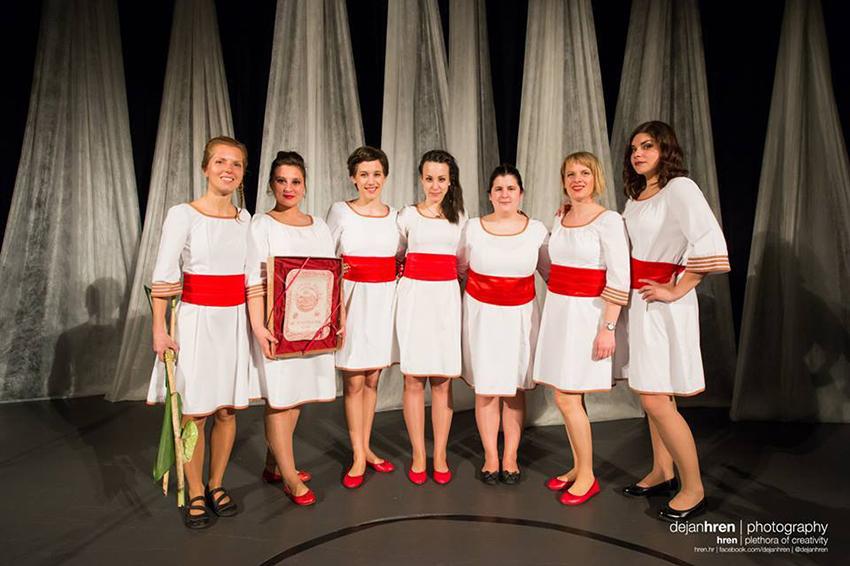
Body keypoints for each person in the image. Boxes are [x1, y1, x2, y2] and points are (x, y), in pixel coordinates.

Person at [617, 121, 730, 521]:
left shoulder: (680, 188)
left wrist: (679, 288)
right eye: (634, 148)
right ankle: (662, 471)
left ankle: (694, 488)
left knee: (655, 396)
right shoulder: (636, 197)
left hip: (663, 306)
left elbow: (708, 238)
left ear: (665, 149)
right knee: (654, 394)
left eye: (647, 146)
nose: (638, 153)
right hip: (640, 301)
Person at [147, 136, 252, 529]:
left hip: (234, 321)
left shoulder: (245, 219)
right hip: (196, 321)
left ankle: (215, 483)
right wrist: (159, 330)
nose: (228, 169)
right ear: (206, 167)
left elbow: (252, 278)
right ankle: (194, 490)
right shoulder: (183, 215)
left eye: (236, 163)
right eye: (220, 161)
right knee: (196, 412)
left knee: (226, 409)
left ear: (243, 173)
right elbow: (164, 275)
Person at [533, 152, 630, 505]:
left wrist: (608, 327)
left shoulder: (609, 220)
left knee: (567, 396)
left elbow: (620, 277)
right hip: (560, 312)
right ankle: (578, 466)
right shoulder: (561, 217)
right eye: (570, 173)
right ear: (563, 181)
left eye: (584, 172)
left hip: (588, 317)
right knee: (569, 395)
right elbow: (551, 264)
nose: (577, 179)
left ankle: (588, 477)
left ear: (596, 177)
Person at [246, 151, 337, 506]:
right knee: (280, 397)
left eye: (295, 181)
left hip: (311, 326)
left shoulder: (319, 226)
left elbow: (329, 275)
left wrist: (336, 320)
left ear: (305, 185)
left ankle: (273, 465)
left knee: (295, 395)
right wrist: (259, 326)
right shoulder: (262, 224)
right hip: (277, 325)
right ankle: (289, 477)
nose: (288, 187)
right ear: (271, 184)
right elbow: (254, 279)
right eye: (281, 181)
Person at [458, 164, 549, 486]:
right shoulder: (472, 228)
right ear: (490, 195)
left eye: (511, 188)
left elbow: (550, 272)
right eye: (499, 189)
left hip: (520, 316)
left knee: (513, 389)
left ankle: (510, 456)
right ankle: (490, 456)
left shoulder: (537, 230)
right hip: (482, 316)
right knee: (487, 389)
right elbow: (460, 267)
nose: (505, 194)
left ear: (521, 193)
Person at [326, 146, 401, 489]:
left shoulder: (396, 216)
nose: (371, 181)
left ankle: (367, 447)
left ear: (385, 177)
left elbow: (402, 256)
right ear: (353, 178)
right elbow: (327, 258)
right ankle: (357, 454)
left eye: (377, 174)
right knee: (354, 380)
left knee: (372, 379)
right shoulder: (340, 212)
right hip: (352, 300)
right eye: (364, 174)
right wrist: (335, 306)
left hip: (383, 301)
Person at [396, 150, 466, 486]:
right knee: (413, 379)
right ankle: (418, 454)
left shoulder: (461, 218)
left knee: (441, 381)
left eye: (441, 179)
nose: (435, 185)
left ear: (450, 181)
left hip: (445, 301)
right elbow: (396, 254)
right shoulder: (407, 215)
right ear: (421, 180)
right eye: (429, 178)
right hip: (414, 299)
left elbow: (464, 262)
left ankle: (439, 454)